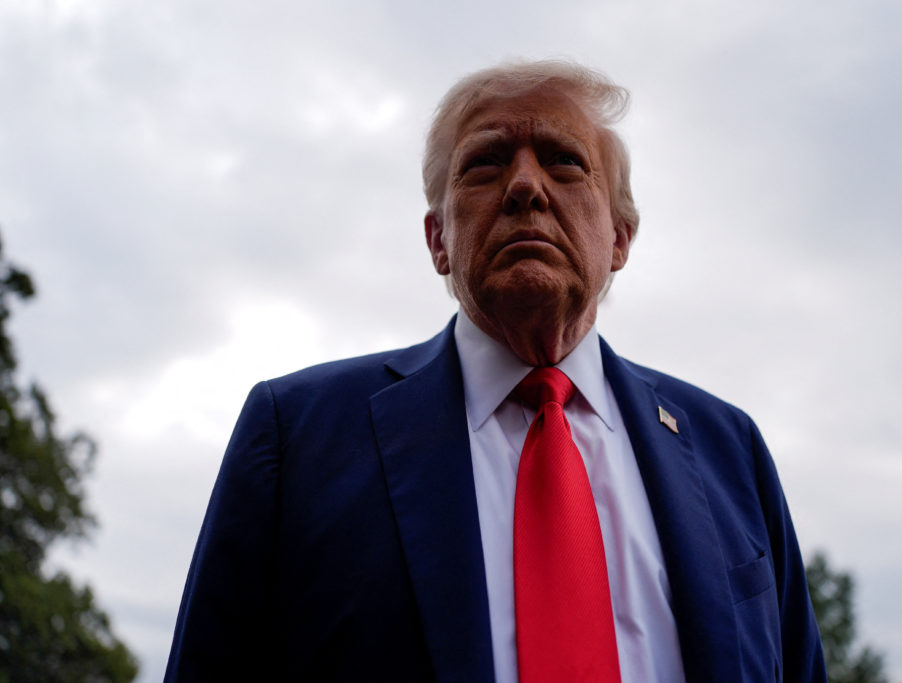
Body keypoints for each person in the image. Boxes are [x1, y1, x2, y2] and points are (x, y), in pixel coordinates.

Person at [165, 60, 827, 682]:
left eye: (565, 162)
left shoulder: (727, 446)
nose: (524, 186)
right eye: (483, 165)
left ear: (620, 238)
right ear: (437, 240)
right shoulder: (298, 437)